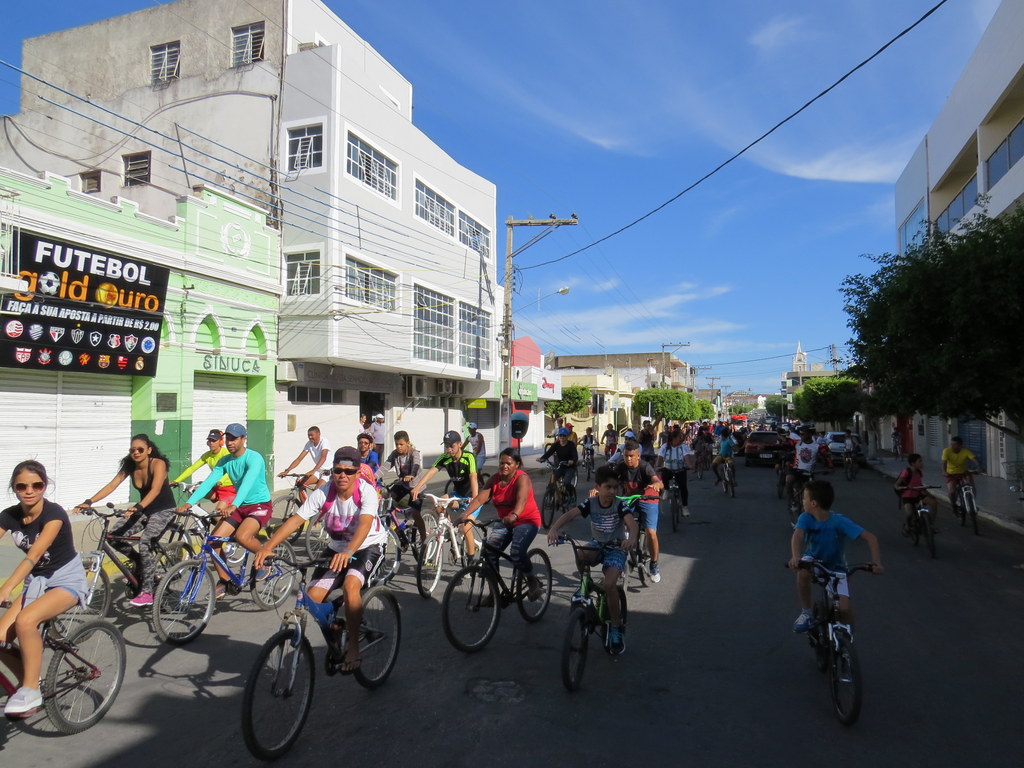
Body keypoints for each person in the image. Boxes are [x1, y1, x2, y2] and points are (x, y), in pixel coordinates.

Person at [255, 447, 388, 674]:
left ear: (357, 473)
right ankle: (337, 626)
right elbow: (296, 520)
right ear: (332, 471)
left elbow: (365, 524)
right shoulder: (324, 492)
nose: (343, 476)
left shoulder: (366, 492)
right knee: (312, 599)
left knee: (350, 585)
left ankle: (354, 646)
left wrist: (349, 552)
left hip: (367, 547)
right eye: (338, 470)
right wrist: (267, 547)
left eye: (349, 471)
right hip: (336, 549)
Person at [0, 461, 88, 716]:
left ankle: (30, 690)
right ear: (14, 489)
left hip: (66, 580)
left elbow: (34, 556)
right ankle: (31, 680)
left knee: (26, 621)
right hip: (37, 582)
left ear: (44, 486)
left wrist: (7, 588)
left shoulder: (54, 514)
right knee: (1, 639)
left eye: (36, 485)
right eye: (22, 486)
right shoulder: (9, 515)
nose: (29, 490)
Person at [75, 434, 177, 607]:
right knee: (114, 536)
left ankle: (147, 592)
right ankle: (140, 562)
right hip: (144, 509)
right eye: (132, 450)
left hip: (163, 509)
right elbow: (111, 485)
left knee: (145, 542)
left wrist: (138, 507)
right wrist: (89, 502)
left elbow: (156, 489)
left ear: (149, 450)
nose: (136, 453)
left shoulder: (157, 464)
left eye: (140, 449)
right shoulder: (130, 466)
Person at [547, 465, 637, 654]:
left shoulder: (620, 504)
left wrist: (631, 539)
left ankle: (615, 627)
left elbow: (632, 524)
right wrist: (554, 528)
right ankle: (585, 583)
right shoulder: (591, 502)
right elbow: (571, 514)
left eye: (615, 487)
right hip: (597, 544)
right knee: (580, 553)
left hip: (616, 548)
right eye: (608, 487)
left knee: (610, 584)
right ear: (598, 487)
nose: (612, 491)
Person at [177, 423, 273, 598]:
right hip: (239, 505)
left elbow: (247, 483)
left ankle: (266, 558)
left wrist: (234, 504)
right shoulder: (225, 461)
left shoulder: (254, 458)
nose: (230, 442)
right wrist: (189, 503)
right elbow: (208, 483)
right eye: (228, 439)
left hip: (259, 505)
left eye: (234, 439)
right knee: (213, 542)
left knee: (242, 537)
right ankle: (225, 580)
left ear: (243, 439)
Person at [788, 480, 883, 631]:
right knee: (803, 571)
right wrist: (796, 556)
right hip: (813, 560)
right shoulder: (805, 518)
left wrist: (876, 562)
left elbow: (870, 538)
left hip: (836, 567)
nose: (802, 501)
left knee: (844, 610)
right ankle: (806, 612)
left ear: (813, 503)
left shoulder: (839, 521)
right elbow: (797, 536)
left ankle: (846, 642)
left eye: (804, 498)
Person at [462, 448, 544, 601]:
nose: (504, 466)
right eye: (501, 463)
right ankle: (494, 592)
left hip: (527, 521)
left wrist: (514, 515)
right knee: (489, 552)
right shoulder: (494, 479)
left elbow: (521, 501)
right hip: (505, 522)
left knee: (517, 552)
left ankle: (533, 581)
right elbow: (480, 499)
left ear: (517, 465)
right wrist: (465, 515)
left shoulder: (522, 479)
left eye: (509, 463)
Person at [410, 430, 480, 556]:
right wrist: (417, 487)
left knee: (465, 528)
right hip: (458, 495)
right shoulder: (444, 458)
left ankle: (470, 565)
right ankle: (450, 532)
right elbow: (431, 472)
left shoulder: (469, 457)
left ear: (459, 445)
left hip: (473, 497)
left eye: (451, 446)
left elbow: (473, 477)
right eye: (447, 447)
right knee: (439, 504)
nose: (449, 450)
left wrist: (474, 499)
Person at [608, 440, 664, 582]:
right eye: (626, 455)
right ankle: (623, 555)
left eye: (631, 456)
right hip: (630, 499)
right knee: (620, 525)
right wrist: (598, 488)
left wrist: (657, 484)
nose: (628, 459)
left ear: (638, 455)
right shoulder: (621, 467)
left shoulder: (645, 467)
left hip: (648, 499)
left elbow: (658, 481)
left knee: (651, 532)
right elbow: (609, 481)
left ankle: (654, 564)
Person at [173, 429, 236, 514]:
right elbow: (192, 468)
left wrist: (221, 481)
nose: (211, 443)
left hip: (229, 489)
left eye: (214, 441)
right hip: (216, 489)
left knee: (217, 515)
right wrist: (176, 480)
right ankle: (198, 512)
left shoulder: (226, 453)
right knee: (194, 490)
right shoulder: (207, 455)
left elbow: (230, 471)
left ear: (221, 442)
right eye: (209, 441)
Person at [378, 431, 427, 538]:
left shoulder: (414, 453)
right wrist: (372, 477)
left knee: (415, 513)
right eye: (397, 444)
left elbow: (416, 465)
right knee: (387, 498)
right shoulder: (395, 454)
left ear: (408, 443)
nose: (398, 447)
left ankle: (424, 538)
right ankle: (394, 526)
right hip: (403, 484)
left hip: (416, 487)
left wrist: (412, 475)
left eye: (401, 444)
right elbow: (385, 467)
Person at [894, 453, 937, 536]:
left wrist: (927, 493)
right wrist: (898, 487)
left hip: (917, 494)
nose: (922, 463)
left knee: (933, 502)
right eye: (920, 461)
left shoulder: (919, 473)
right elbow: (896, 484)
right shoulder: (906, 472)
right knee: (909, 514)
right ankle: (907, 526)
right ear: (913, 463)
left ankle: (930, 524)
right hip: (907, 496)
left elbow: (919, 484)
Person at [656, 428, 694, 518]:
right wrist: (658, 466)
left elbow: (687, 457)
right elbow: (660, 457)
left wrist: (689, 465)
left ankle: (684, 507)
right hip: (668, 469)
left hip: (680, 469)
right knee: (664, 473)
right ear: (673, 438)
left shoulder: (683, 447)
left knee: (683, 488)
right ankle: (666, 490)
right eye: (679, 437)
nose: (681, 439)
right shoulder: (665, 446)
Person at [941, 436, 982, 511]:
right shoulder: (946, 451)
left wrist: (979, 467)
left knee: (971, 485)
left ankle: (971, 503)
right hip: (951, 474)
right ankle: (953, 505)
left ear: (960, 445)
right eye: (951, 444)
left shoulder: (965, 451)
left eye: (955, 444)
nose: (952, 446)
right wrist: (944, 471)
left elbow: (975, 459)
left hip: (963, 473)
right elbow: (944, 463)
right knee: (952, 491)